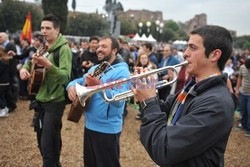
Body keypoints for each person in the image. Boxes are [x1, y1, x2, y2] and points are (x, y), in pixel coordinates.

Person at [132, 25, 235, 167]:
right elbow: (165, 110)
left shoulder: (216, 103)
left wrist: (149, 102)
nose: (185, 53)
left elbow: (165, 150)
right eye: (187, 47)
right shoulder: (193, 86)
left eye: (193, 48)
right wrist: (144, 91)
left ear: (214, 55)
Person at [67, 36, 130, 167]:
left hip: (108, 129)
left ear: (114, 50)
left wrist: (99, 85)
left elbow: (119, 100)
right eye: (98, 46)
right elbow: (79, 81)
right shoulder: (96, 68)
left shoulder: (122, 72)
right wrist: (71, 87)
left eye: (104, 47)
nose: (99, 49)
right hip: (89, 125)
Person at [20, 14, 72, 166]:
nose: (44, 31)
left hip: (55, 103)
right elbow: (30, 63)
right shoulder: (43, 47)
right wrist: (24, 69)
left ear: (57, 30)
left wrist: (48, 65)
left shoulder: (64, 49)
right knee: (43, 144)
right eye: (42, 28)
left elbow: (65, 77)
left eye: (48, 28)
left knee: (48, 146)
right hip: (40, 101)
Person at [0, 32, 18, 112]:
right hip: (6, 70)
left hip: (9, 71)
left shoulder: (10, 45)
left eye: (0, 37)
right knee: (8, 89)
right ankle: (9, 104)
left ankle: (12, 105)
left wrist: (9, 70)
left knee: (10, 89)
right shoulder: (5, 45)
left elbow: (11, 59)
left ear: (5, 37)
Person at [235, 56, 250, 137]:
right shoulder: (242, 67)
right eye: (248, 68)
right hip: (243, 92)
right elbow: (239, 78)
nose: (248, 70)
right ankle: (243, 125)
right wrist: (237, 89)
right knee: (243, 110)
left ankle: (249, 129)